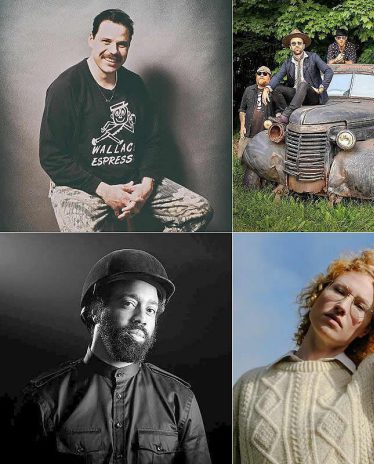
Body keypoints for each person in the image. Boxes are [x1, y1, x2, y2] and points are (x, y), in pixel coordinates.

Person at [233, 249, 374, 463]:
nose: (343, 306)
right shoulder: (249, 386)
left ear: (366, 328)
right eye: (339, 290)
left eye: (360, 306)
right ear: (318, 294)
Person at [15, 249, 212, 463]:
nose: (142, 319)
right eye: (129, 303)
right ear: (94, 310)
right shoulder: (44, 398)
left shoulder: (180, 399)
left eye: (151, 310)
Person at [40, 9, 213, 232]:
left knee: (199, 210)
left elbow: (153, 139)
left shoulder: (135, 85)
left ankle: (143, 257)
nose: (114, 51)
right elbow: (51, 157)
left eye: (122, 44)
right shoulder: (66, 88)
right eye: (106, 41)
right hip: (82, 187)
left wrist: (146, 185)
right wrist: (104, 190)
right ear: (91, 40)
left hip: (133, 184)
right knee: (82, 243)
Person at [262, 29, 333, 125]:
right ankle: (285, 116)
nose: (297, 45)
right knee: (276, 89)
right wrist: (266, 89)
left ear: (303, 45)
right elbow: (277, 77)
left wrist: (322, 87)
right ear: (290, 47)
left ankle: (285, 115)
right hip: (296, 95)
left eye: (299, 43)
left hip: (313, 95)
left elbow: (328, 71)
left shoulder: (313, 57)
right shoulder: (287, 63)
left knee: (303, 84)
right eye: (294, 43)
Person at [238, 66, 274, 158]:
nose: (261, 75)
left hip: (265, 134)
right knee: (242, 158)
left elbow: (278, 110)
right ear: (256, 76)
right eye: (259, 73)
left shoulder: (274, 92)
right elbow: (242, 109)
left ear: (269, 78)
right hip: (248, 132)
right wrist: (242, 126)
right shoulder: (248, 90)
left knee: (262, 160)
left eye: (265, 74)